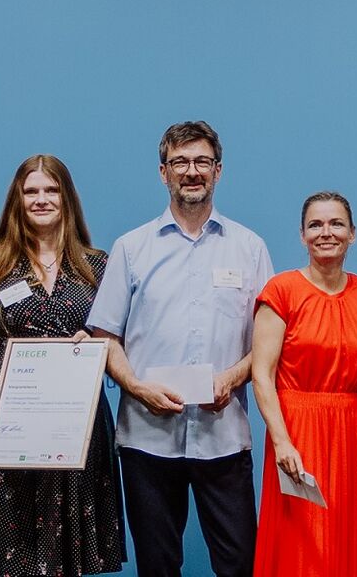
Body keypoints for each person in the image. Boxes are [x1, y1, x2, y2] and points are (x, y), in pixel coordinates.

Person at [89, 120, 273, 577]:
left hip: (223, 437)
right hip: (147, 438)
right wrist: (135, 386)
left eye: (201, 162)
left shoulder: (249, 249)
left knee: (239, 565)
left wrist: (232, 378)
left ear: (218, 170)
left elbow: (270, 343)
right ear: (163, 172)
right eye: (180, 162)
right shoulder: (131, 248)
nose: (192, 171)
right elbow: (104, 337)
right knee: (158, 566)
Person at [0, 154, 126, 576]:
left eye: (51, 190)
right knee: (14, 556)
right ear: (17, 198)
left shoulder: (99, 267)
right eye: (31, 191)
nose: (41, 199)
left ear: (67, 198)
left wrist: (97, 345)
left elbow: (118, 347)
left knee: (71, 560)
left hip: (78, 427)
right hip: (7, 421)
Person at [250, 192, 357, 577]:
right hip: (298, 434)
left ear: (352, 234)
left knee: (351, 544)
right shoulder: (281, 291)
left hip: (354, 437)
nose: (326, 233)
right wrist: (281, 441)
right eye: (316, 225)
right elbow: (262, 374)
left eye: (336, 224)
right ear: (302, 235)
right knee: (303, 551)